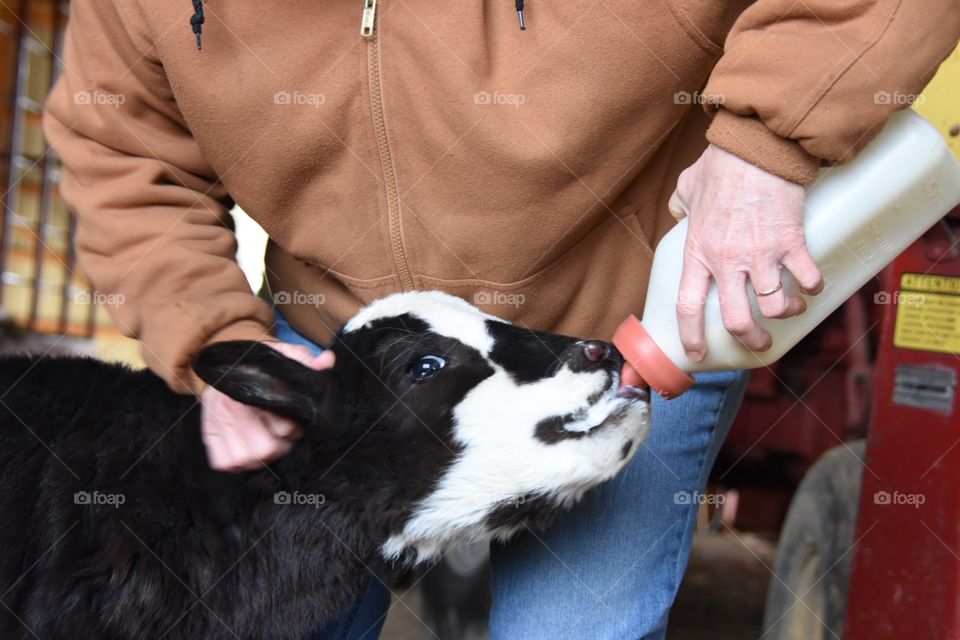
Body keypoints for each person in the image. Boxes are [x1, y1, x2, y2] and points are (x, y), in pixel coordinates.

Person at [43, 1, 960, 638]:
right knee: (282, 619)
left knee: (579, 630)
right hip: (339, 367)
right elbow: (121, 152)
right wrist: (212, 335)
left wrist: (770, 144)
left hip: (627, 332)